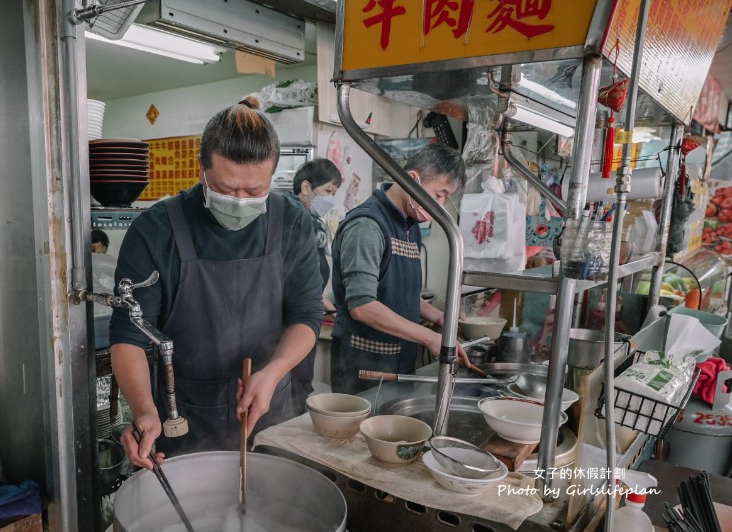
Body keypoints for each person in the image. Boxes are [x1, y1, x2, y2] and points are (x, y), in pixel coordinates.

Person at [112, 97, 322, 467]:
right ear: (201, 171)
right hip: (183, 418)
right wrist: (144, 409)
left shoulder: (292, 221)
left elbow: (306, 315)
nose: (240, 201)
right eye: (226, 189)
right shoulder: (156, 230)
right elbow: (129, 335)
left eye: (255, 192)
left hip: (268, 410)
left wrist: (272, 373)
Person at [330, 144, 469, 395]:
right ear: (412, 179)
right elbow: (362, 306)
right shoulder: (367, 226)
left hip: (400, 360)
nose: (441, 205)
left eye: (446, 198)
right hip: (364, 367)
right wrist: (429, 338)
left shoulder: (409, 224)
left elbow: (402, 295)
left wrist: (439, 317)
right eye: (439, 195)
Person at [287, 158, 342, 414]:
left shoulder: (313, 225)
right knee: (295, 386)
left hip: (309, 315)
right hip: (290, 323)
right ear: (306, 187)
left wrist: (329, 307)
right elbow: (295, 281)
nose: (331, 199)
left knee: (301, 384)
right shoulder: (293, 222)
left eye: (334, 193)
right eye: (328, 191)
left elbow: (312, 281)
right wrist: (324, 305)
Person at [91, 229, 117, 349]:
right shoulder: (110, 262)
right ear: (100, 245)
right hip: (107, 320)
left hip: (87, 320)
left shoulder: (79, 262)